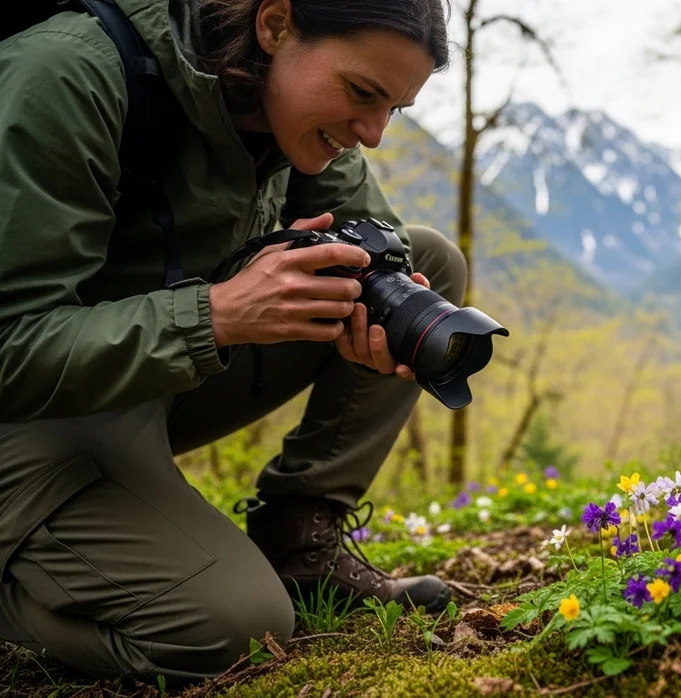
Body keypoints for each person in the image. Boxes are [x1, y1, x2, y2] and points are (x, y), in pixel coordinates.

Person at [0, 0, 462, 684]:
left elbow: (381, 243)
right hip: (28, 409)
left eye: (394, 109)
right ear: (275, 26)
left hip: (133, 382)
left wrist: (379, 319)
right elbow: (12, 342)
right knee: (237, 629)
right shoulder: (68, 76)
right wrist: (215, 315)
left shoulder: (284, 115)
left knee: (425, 270)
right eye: (362, 93)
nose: (371, 134)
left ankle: (298, 542)